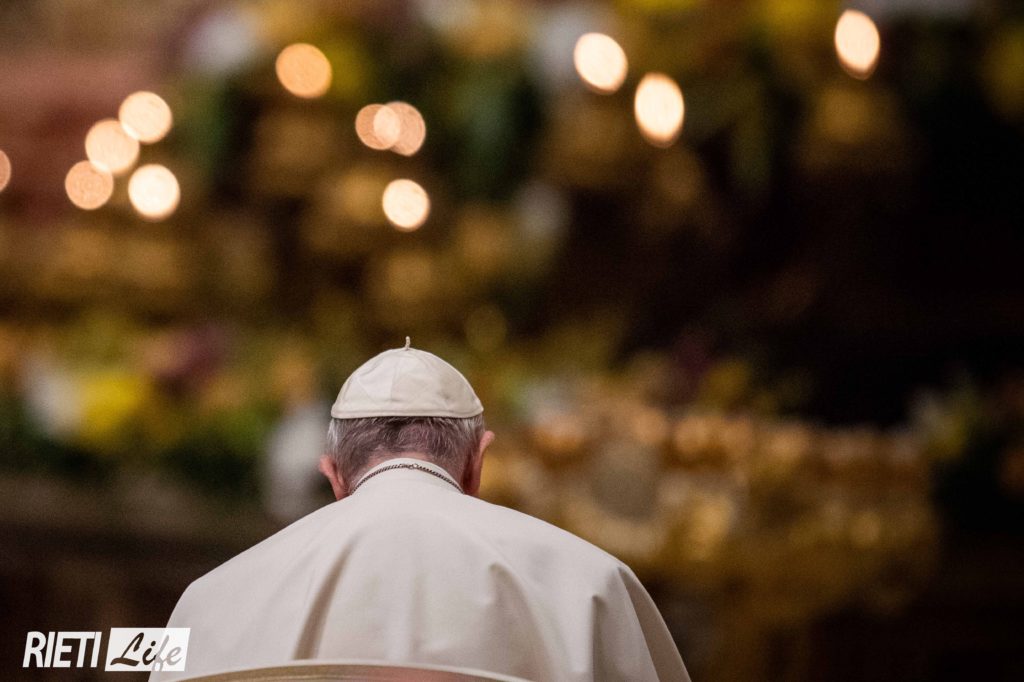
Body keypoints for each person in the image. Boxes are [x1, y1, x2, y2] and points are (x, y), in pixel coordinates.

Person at [152, 341, 690, 681]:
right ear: (477, 464)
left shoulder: (208, 599)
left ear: (333, 474)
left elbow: (155, 666)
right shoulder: (594, 584)